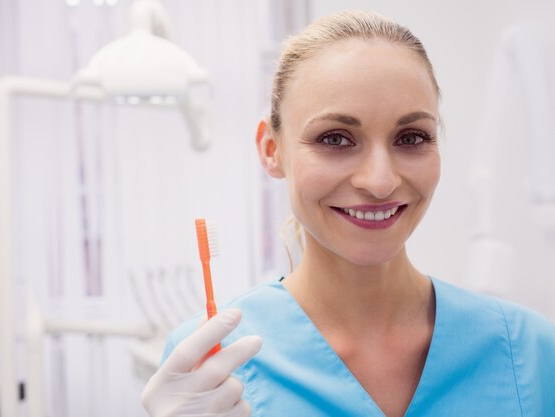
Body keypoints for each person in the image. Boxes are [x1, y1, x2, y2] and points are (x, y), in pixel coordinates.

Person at [141, 10, 555, 417]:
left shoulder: (530, 352)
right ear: (271, 149)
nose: (379, 181)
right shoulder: (208, 367)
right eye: (335, 138)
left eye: (411, 137)